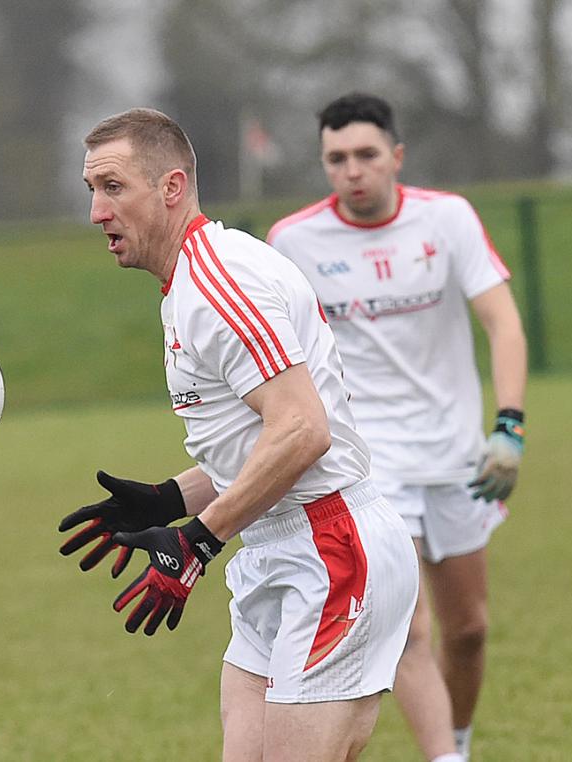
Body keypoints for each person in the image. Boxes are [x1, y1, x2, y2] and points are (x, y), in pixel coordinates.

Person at [58, 107, 419, 762]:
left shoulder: (218, 285)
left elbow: (304, 430)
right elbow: (275, 435)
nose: (97, 212)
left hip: (330, 547)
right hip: (276, 546)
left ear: (170, 187)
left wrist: (196, 539)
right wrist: (171, 500)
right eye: (91, 191)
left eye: (113, 188)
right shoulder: (192, 283)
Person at [266, 93, 528, 762]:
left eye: (365, 155)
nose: (351, 171)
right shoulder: (293, 242)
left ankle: (457, 742)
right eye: (335, 159)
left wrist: (510, 425)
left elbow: (501, 321)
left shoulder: (447, 219)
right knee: (409, 629)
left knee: (468, 630)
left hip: (456, 454)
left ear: (396, 157)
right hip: (370, 464)